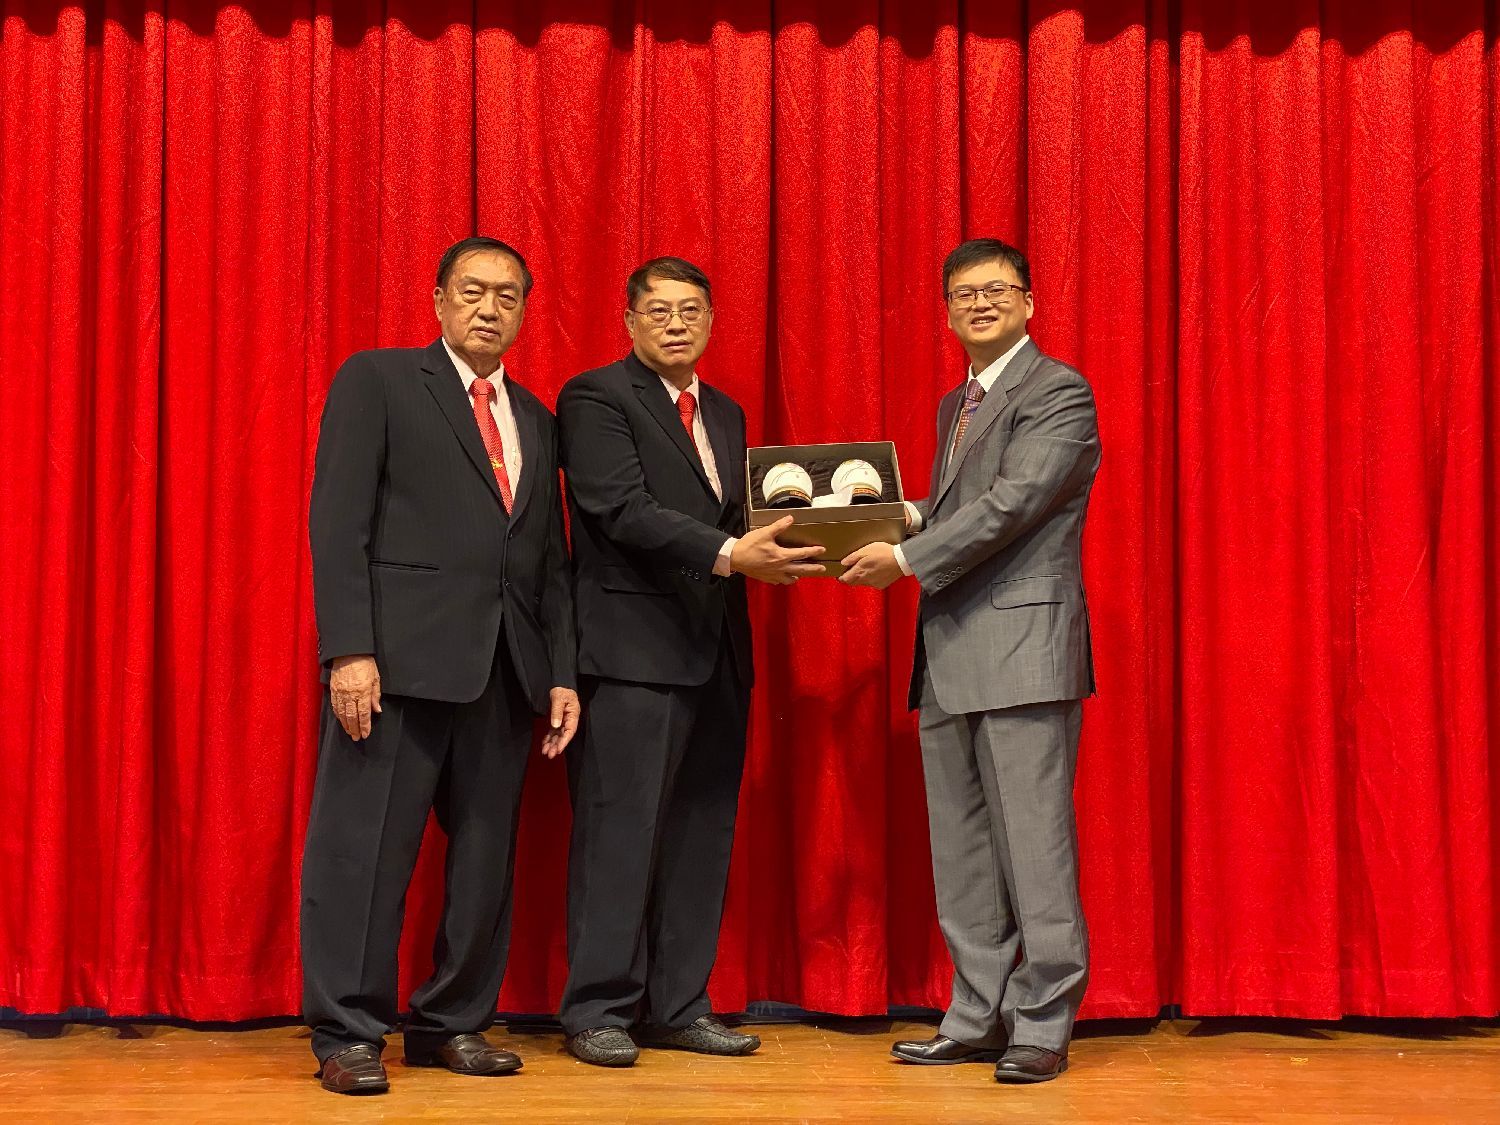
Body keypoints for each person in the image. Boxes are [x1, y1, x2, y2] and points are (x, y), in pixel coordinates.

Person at [301, 236, 579, 1094]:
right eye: (473, 290)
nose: (490, 308)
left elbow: (548, 559)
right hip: (394, 667)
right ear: (439, 300)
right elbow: (337, 521)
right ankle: (348, 1032)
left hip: (504, 671)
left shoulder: (535, 416)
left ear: (524, 310)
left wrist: (561, 670)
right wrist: (350, 649)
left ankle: (452, 1021)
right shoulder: (379, 380)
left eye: (507, 295)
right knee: (363, 855)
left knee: (484, 862)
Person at [841, 238, 1101, 1084]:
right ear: (947, 311)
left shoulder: (1057, 389)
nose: (980, 303)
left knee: (1034, 847)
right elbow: (964, 505)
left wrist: (905, 556)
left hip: (1022, 651)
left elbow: (1016, 501)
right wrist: (902, 515)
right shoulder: (959, 402)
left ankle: (1043, 1022)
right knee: (963, 853)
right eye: (963, 294)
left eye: (996, 289)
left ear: (1029, 302)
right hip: (950, 651)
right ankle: (975, 1015)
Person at [555, 256, 824, 1067]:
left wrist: (832, 530)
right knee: (620, 833)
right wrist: (734, 554)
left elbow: (740, 517)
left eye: (691, 310)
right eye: (660, 310)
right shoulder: (596, 397)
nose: (676, 323)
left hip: (718, 654)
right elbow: (619, 507)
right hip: (631, 654)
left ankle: (677, 1004)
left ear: (711, 320)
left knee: (702, 833)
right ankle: (598, 1008)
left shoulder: (727, 412)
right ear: (629, 321)